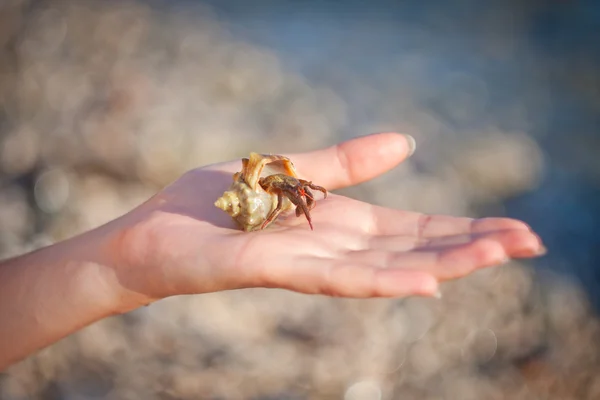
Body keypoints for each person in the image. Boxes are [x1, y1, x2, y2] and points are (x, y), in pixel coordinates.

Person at [0, 132, 546, 370]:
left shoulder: (287, 184)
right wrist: (124, 261)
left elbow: (295, 182)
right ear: (271, 185)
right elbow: (283, 185)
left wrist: (122, 263)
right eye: (294, 189)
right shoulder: (266, 190)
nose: (299, 192)